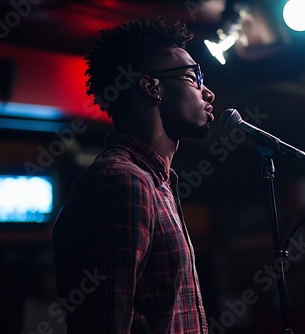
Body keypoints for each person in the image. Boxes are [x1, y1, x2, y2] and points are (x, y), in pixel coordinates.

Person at [52, 16, 215, 334]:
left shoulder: (156, 182)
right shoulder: (123, 182)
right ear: (151, 87)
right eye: (193, 76)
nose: (207, 92)